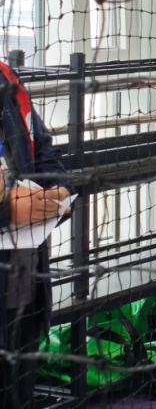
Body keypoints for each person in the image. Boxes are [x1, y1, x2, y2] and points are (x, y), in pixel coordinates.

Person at [0, 60, 73, 408]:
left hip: (24, 289)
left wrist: (57, 190)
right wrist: (7, 210)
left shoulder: (7, 79)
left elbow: (43, 150)